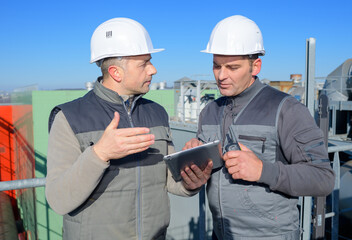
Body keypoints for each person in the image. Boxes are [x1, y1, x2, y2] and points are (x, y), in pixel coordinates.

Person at [45, 17, 212, 240]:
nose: (153, 69)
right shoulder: (69, 117)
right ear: (116, 72)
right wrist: (99, 154)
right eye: (144, 63)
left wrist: (192, 182)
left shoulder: (157, 113)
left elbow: (170, 181)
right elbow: (59, 199)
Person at [183, 15, 335, 239]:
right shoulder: (209, 112)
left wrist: (264, 171)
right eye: (216, 66)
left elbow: (323, 178)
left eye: (232, 67)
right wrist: (193, 167)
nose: (221, 75)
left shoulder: (286, 109)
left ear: (256, 66)